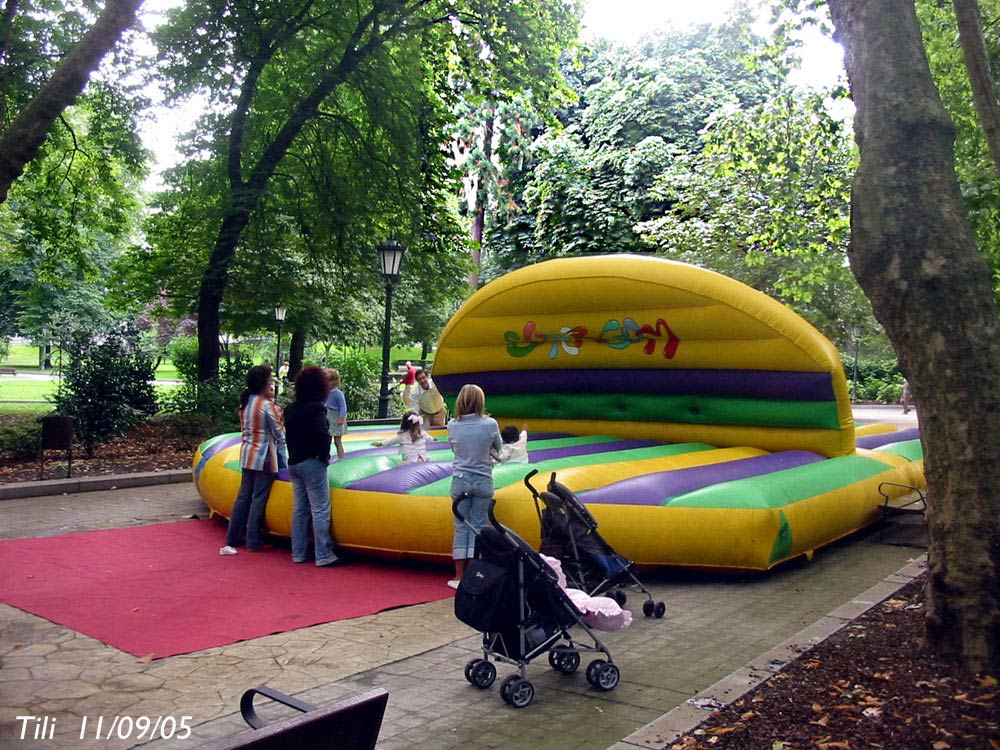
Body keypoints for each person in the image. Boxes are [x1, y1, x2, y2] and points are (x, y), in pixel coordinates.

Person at [221, 364, 286, 556]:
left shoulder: (246, 403)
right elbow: (279, 434)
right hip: (264, 455)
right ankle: (253, 539)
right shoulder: (266, 406)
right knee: (259, 497)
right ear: (264, 384)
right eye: (270, 381)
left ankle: (233, 537)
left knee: (243, 496)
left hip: (248, 453)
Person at [283, 366, 341, 567]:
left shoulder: (290, 409)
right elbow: (322, 434)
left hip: (295, 462)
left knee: (300, 509)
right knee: (320, 509)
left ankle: (298, 552)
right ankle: (323, 554)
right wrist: (324, 456)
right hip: (312, 462)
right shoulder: (317, 409)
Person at [447, 384, 502, 589]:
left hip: (460, 478)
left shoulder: (453, 425)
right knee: (478, 525)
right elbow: (498, 446)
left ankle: (459, 575)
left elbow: (454, 449)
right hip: (482, 478)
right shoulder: (490, 424)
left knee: (461, 526)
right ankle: (475, 572)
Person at [324, 369, 347, 460]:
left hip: (336, 418)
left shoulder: (338, 393)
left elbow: (343, 407)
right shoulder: (326, 392)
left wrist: (341, 418)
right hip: (328, 417)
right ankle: (326, 457)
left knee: (337, 441)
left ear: (333, 382)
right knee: (327, 440)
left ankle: (341, 458)